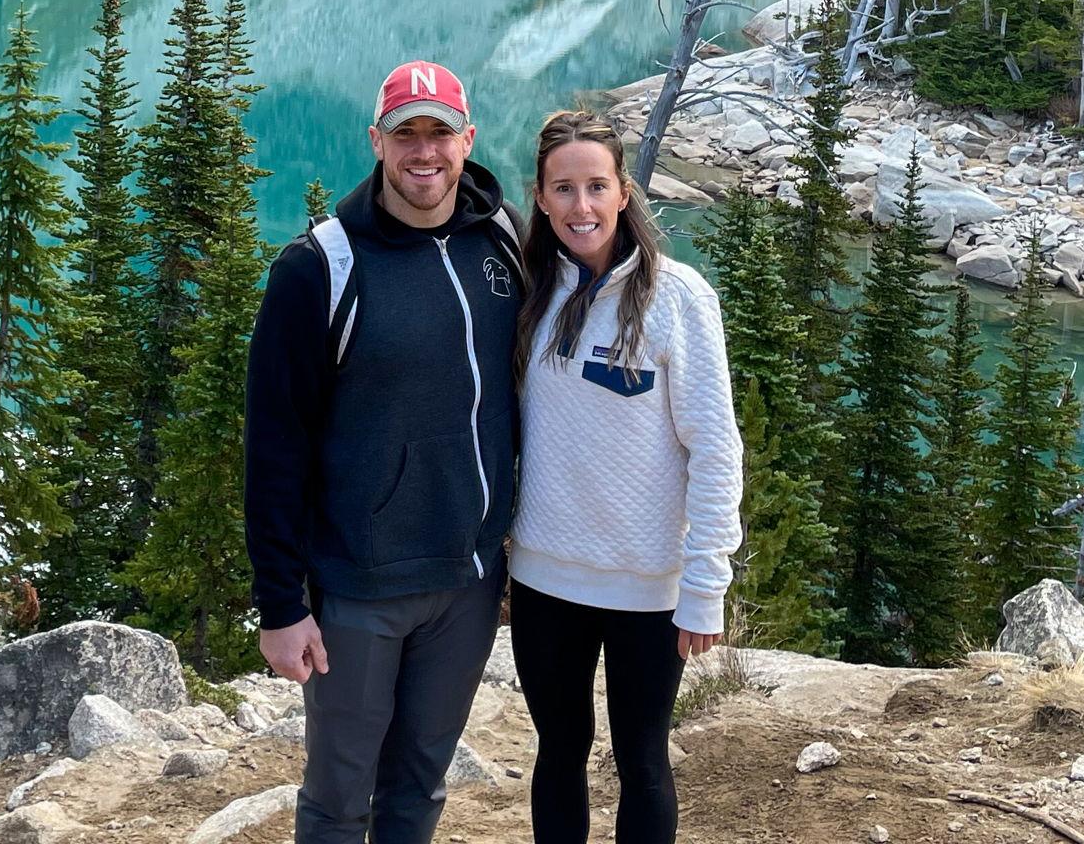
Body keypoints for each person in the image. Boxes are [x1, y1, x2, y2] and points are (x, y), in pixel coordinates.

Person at [244, 59, 524, 844]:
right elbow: (273, 446)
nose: (424, 153)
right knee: (338, 800)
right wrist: (282, 605)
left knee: (421, 787)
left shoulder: (500, 241)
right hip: (359, 589)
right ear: (377, 141)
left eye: (440, 133)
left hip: (468, 585)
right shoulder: (319, 269)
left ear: (468, 141)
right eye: (407, 134)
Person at [507, 109, 744, 844]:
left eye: (596, 186)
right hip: (546, 579)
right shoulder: (529, 292)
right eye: (563, 189)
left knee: (643, 760)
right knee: (559, 752)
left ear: (623, 193)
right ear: (541, 198)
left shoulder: (678, 298)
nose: (581, 206)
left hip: (648, 585)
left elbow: (715, 448)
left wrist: (706, 587)